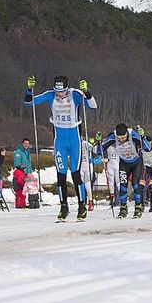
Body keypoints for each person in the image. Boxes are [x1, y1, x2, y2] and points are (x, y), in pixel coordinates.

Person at [24, 75, 97, 221]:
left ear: (67, 88)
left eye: (62, 92)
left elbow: (93, 105)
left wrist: (86, 91)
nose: (60, 95)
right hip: (60, 143)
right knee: (61, 176)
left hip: (75, 142)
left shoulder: (75, 94)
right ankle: (64, 207)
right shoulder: (50, 95)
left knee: (76, 175)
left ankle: (82, 205)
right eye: (57, 92)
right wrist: (29, 89)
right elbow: (28, 103)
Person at [102, 123, 151, 219]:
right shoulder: (113, 137)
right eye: (119, 138)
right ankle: (123, 209)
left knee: (135, 184)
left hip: (136, 162)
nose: (121, 140)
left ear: (127, 135)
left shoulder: (133, 135)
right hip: (124, 163)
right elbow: (100, 150)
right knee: (123, 185)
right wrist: (99, 142)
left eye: (123, 138)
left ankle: (138, 207)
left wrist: (142, 137)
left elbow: (147, 148)